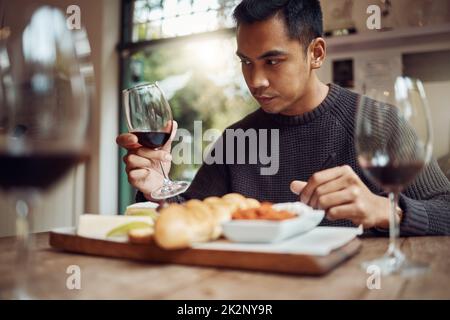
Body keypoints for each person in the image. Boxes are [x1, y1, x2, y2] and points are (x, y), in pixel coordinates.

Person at [116, 0, 450, 236]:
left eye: (272, 61)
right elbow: (191, 216)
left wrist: (386, 211)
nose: (255, 80)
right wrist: (156, 189)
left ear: (316, 53)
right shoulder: (236, 140)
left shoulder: (380, 122)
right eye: (246, 62)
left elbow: (446, 211)